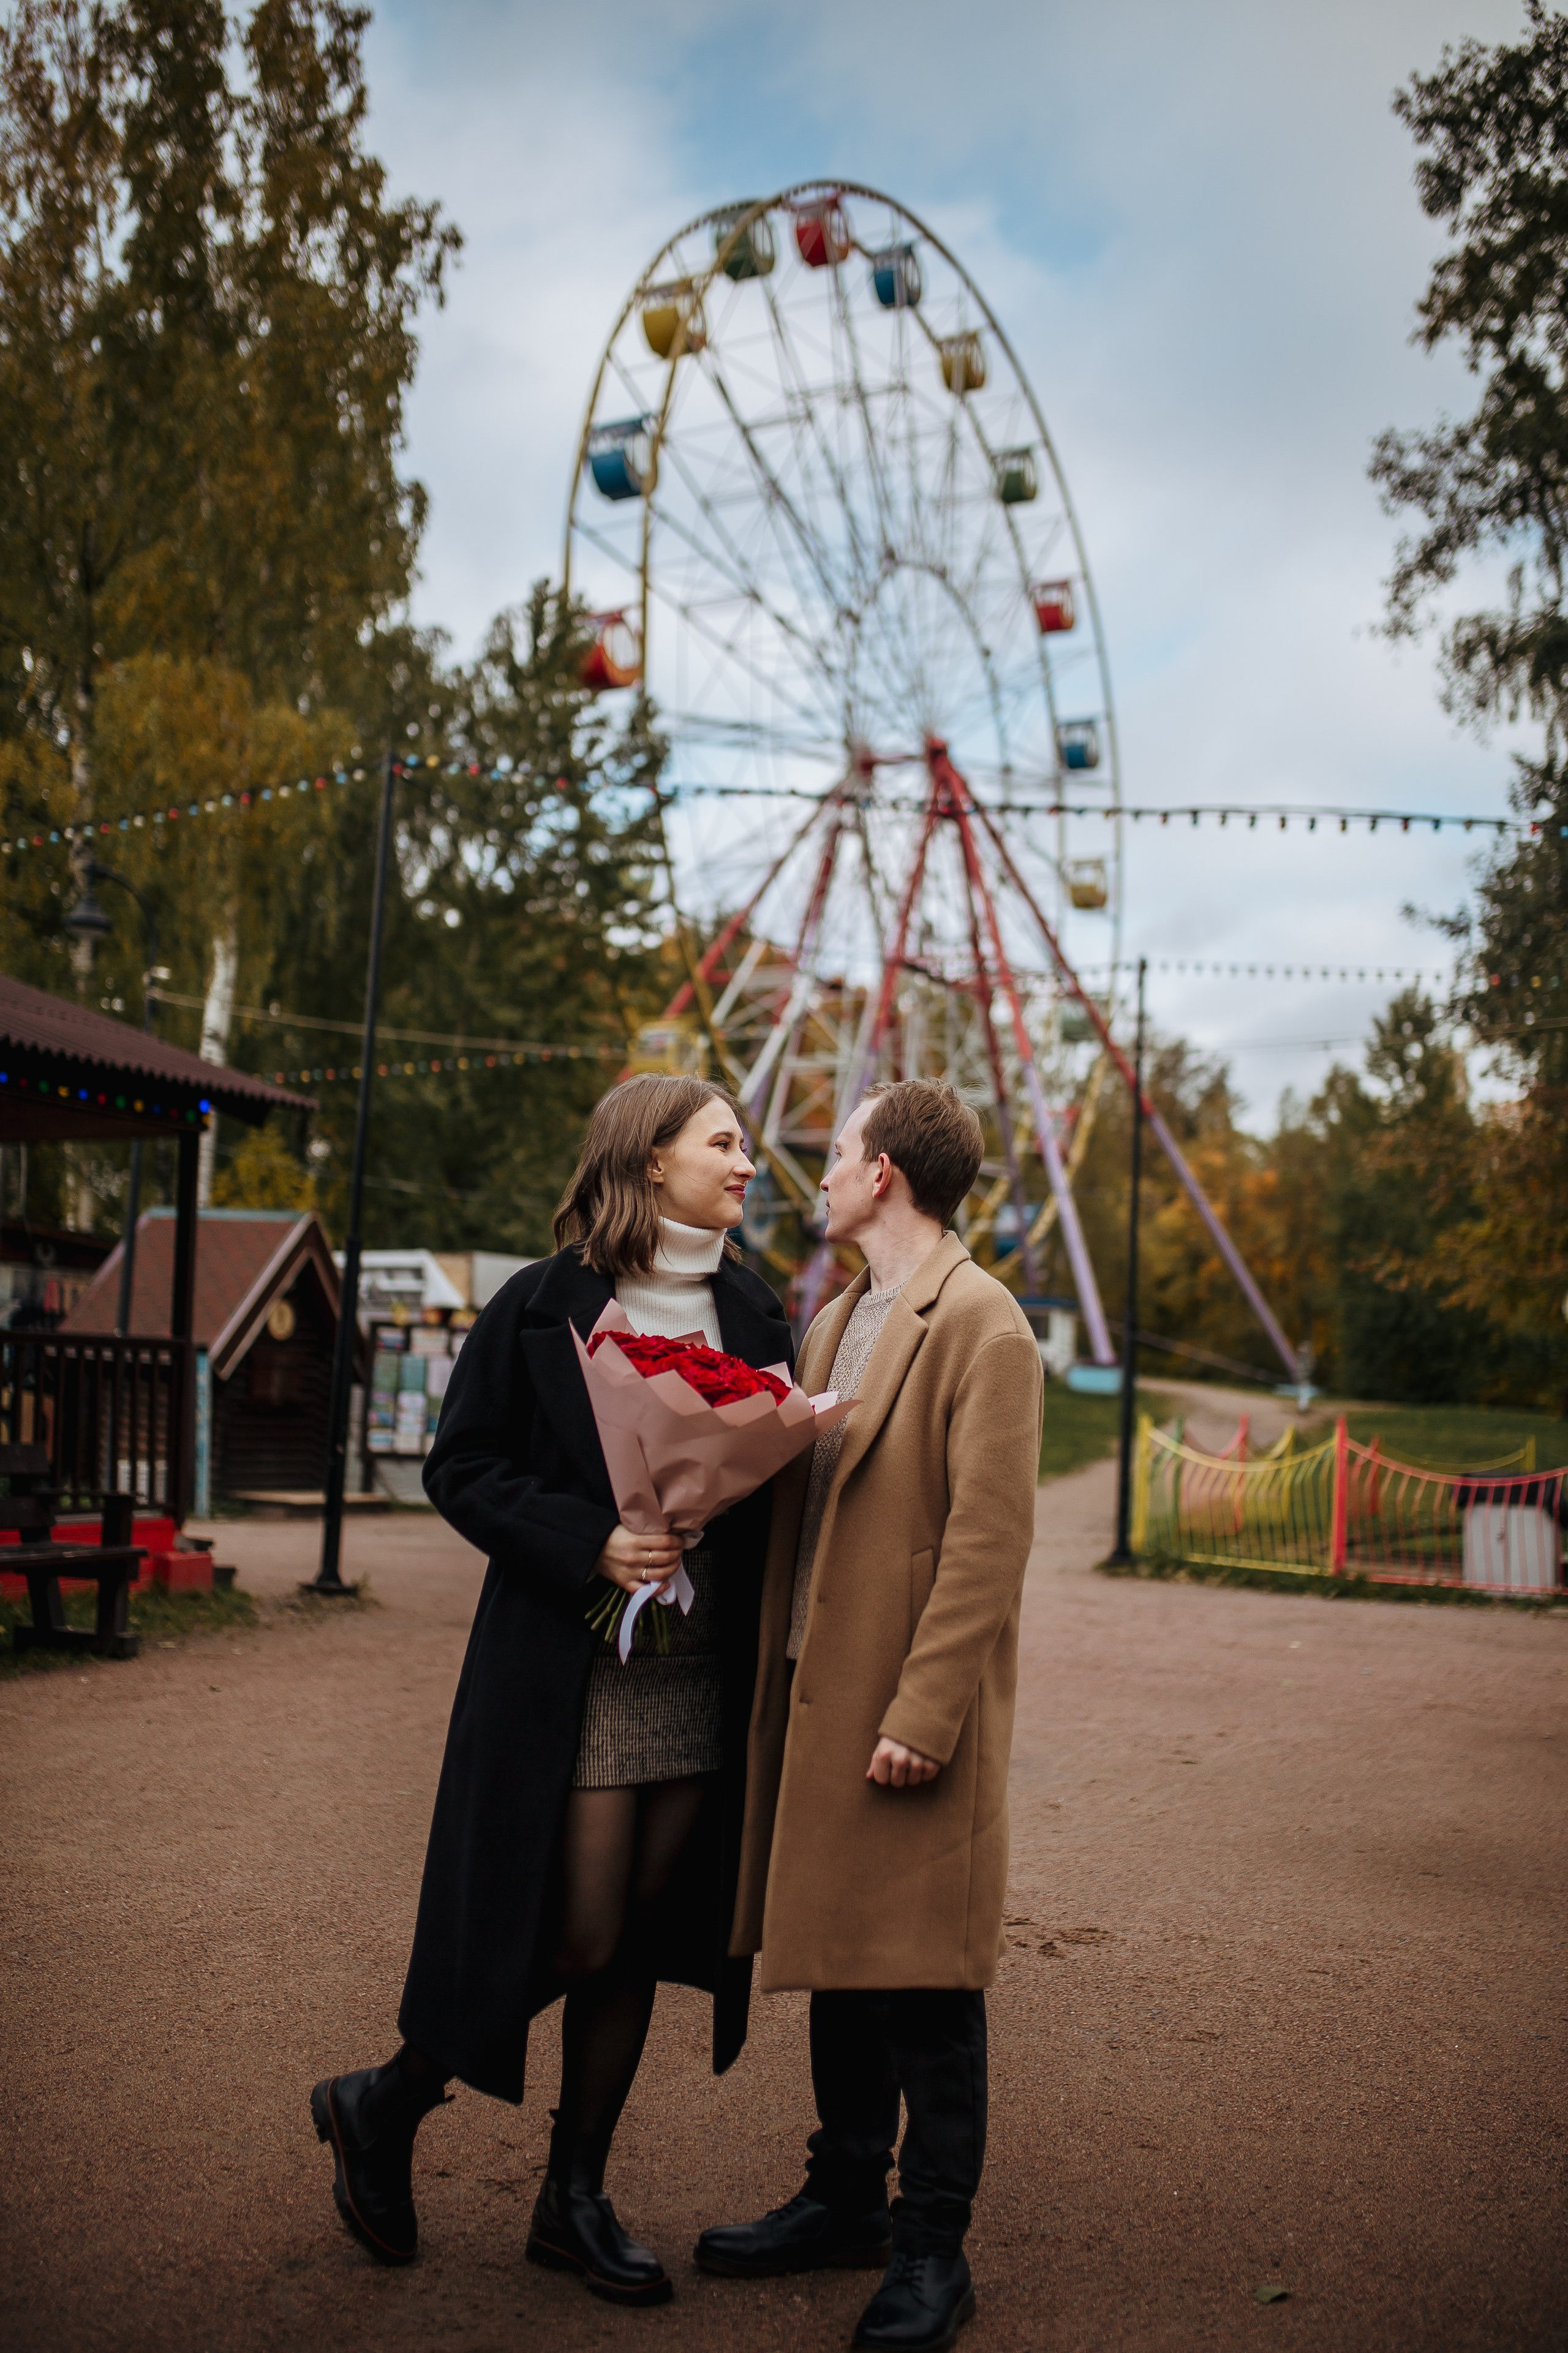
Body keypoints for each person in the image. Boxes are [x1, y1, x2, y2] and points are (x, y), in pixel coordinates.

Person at [311, 1075, 792, 2307]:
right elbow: (461, 1466)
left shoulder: (755, 1308)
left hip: (698, 1667)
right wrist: (592, 1541)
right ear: (650, 1158)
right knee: (581, 1928)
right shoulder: (539, 1301)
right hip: (574, 1667)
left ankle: (573, 2195)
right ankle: (389, 2097)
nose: (748, 1162)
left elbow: (773, 1465)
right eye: (724, 1142)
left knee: (642, 1930)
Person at [696, 1077, 1044, 2353]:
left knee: (926, 1982)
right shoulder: (837, 1318)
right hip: (818, 1688)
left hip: (903, 1707)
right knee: (841, 1957)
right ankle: (844, 2194)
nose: (824, 1170)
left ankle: (932, 2251)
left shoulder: (984, 1324)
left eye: (841, 1150)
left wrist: (926, 1711)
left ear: (885, 1170)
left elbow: (987, 1543)